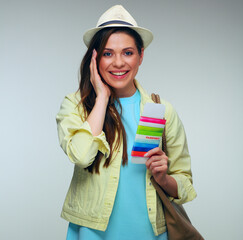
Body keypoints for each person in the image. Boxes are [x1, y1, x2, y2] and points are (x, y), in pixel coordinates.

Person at [56, 5, 197, 240]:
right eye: (108, 53)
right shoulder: (76, 106)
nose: (118, 63)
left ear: (141, 55)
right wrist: (101, 97)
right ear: (95, 57)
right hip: (94, 233)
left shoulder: (161, 111)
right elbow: (81, 156)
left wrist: (164, 178)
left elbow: (184, 182)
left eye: (128, 53)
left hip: (151, 233)